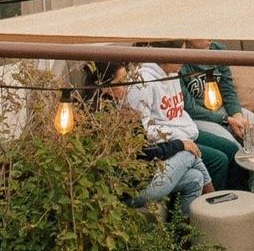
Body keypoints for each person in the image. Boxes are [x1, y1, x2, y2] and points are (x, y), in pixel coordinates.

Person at [89, 61, 209, 215]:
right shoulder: (108, 118)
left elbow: (145, 149)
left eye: (128, 79)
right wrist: (178, 145)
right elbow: (144, 153)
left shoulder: (124, 110)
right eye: (121, 82)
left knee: (195, 178)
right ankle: (214, 203)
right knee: (188, 152)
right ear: (105, 88)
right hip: (132, 190)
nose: (128, 86)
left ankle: (185, 235)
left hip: (145, 176)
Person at [123, 57, 232, 191]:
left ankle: (238, 201)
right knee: (219, 160)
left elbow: (183, 108)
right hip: (168, 139)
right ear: (164, 57)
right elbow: (143, 129)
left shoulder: (173, 74)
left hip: (185, 130)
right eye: (177, 56)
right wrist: (177, 138)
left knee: (231, 149)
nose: (182, 59)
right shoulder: (143, 84)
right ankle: (214, 205)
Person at [179, 41, 254, 189]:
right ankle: (235, 191)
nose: (209, 37)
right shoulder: (179, 62)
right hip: (199, 116)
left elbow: (228, 89)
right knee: (232, 144)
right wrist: (226, 120)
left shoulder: (218, 50)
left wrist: (237, 114)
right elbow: (190, 108)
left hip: (222, 108)